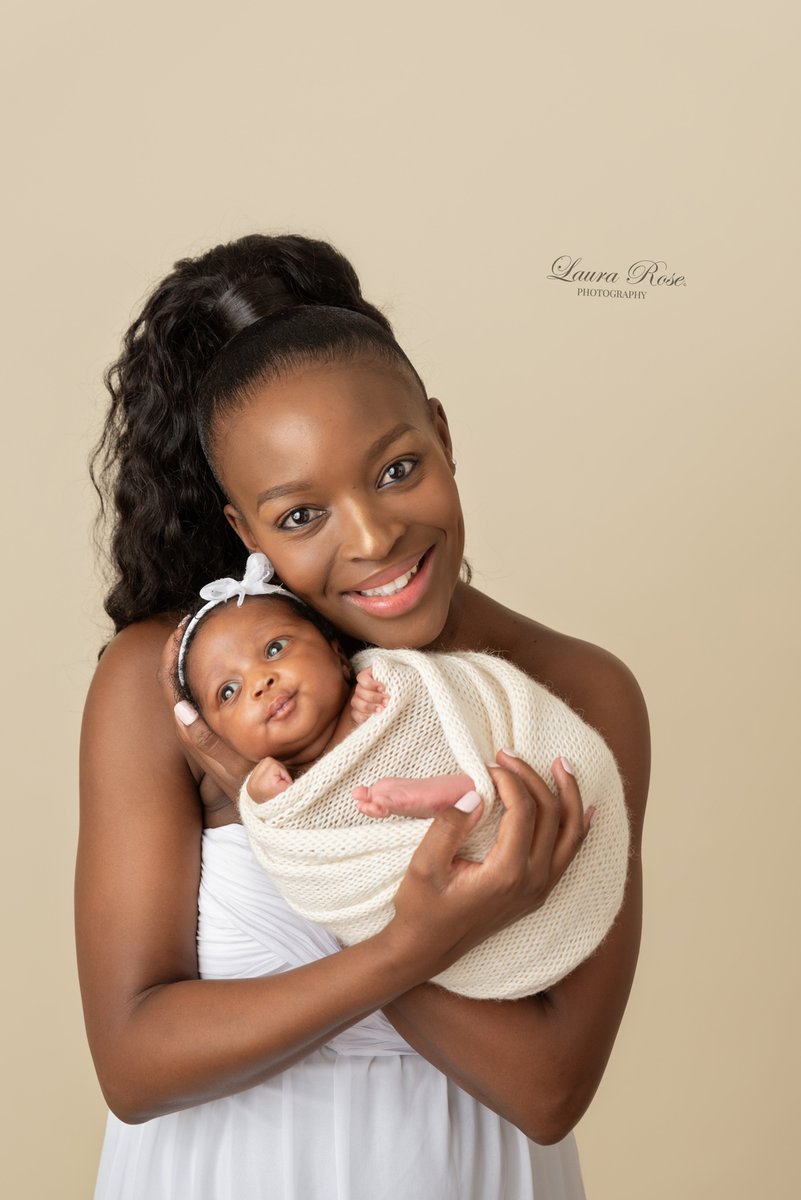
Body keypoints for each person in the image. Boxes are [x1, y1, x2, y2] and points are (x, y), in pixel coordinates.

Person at [79, 232, 650, 1200]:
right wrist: (406, 943)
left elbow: (548, 1085)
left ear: (440, 429)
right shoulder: (173, 691)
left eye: (395, 468)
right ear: (245, 530)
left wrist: (309, 835)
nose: (377, 537)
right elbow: (135, 1065)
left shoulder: (574, 692)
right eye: (301, 514)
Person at [176, 552, 628, 1003]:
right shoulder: (281, 789)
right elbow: (298, 852)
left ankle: (457, 792)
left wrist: (369, 698)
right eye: (229, 692)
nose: (261, 682)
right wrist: (260, 794)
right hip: (436, 887)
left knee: (494, 778)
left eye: (275, 649)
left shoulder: (377, 689)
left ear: (335, 651)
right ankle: (454, 799)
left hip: (496, 789)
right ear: (220, 737)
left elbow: (429, 711)